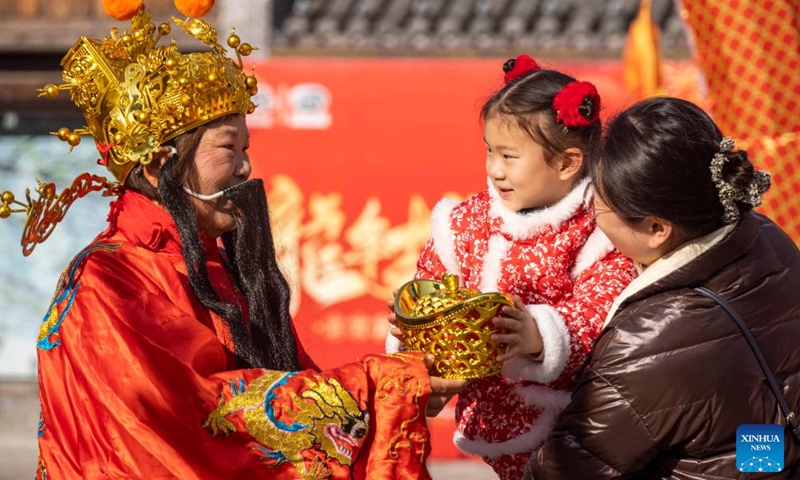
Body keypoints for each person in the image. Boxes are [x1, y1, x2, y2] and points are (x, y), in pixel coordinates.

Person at [0, 3, 461, 479]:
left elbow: (294, 391)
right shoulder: (108, 282)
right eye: (228, 148)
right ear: (161, 164)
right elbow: (197, 412)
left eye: (247, 150)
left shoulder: (217, 271)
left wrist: (406, 385)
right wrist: (380, 384)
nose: (245, 169)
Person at [388, 55, 637, 479]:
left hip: (577, 429)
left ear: (567, 163)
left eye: (509, 156)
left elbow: (599, 314)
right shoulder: (465, 222)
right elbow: (429, 284)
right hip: (491, 418)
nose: (494, 169)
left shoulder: (602, 227)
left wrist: (538, 336)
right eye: (489, 151)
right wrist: (417, 356)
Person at [526, 97, 800, 478]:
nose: (591, 214)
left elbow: (566, 470)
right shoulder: (768, 236)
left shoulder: (645, 342)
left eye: (599, 203)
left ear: (656, 229)